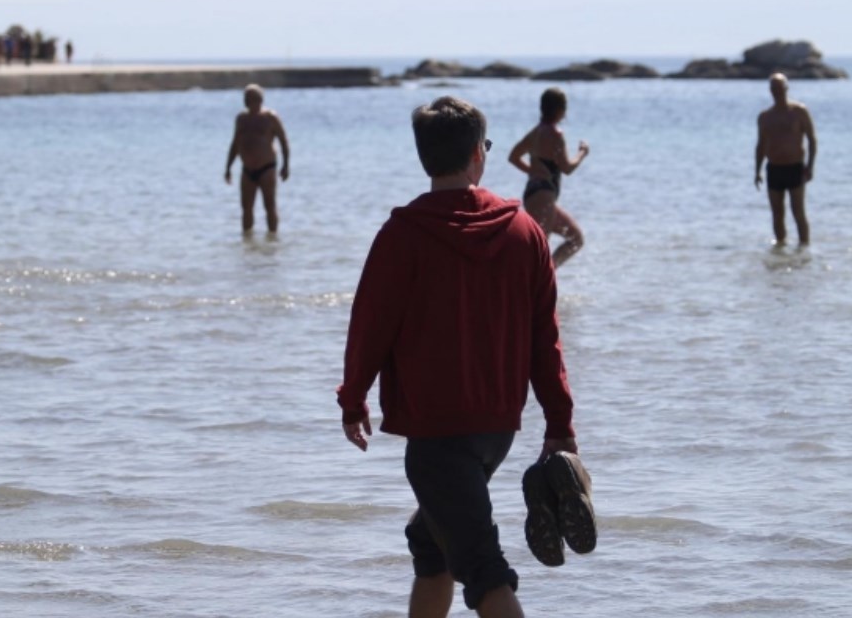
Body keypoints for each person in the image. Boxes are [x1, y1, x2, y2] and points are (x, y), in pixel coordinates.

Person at [337, 96, 579, 618]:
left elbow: (371, 326)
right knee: (432, 546)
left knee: (485, 574)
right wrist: (559, 422)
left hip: (436, 435)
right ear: (477, 153)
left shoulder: (402, 235)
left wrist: (353, 397)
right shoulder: (524, 232)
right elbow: (546, 338)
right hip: (495, 431)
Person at [508, 87, 589, 267]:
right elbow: (567, 168)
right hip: (543, 196)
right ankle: (537, 282)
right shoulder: (555, 134)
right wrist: (582, 153)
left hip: (534, 194)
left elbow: (513, 157)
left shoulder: (536, 132)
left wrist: (532, 171)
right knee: (539, 251)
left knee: (576, 238)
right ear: (560, 110)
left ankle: (548, 273)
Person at [755, 73, 817, 247]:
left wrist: (810, 166)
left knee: (798, 211)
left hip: (795, 167)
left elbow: (812, 139)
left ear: (786, 88)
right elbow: (760, 145)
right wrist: (757, 171)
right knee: (777, 213)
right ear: (770, 91)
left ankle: (804, 248)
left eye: (780, 88)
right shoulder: (765, 116)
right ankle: (780, 247)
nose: (777, 92)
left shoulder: (799, 111)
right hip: (774, 168)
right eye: (774, 88)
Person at [224, 84, 290, 233]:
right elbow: (235, 143)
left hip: (266, 168)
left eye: (250, 98)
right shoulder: (241, 119)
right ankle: (247, 241)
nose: (247, 101)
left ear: (259, 100)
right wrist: (228, 168)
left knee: (269, 206)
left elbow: (283, 141)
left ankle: (273, 239)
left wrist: (286, 165)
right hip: (247, 169)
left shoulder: (270, 117)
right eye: (245, 98)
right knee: (246, 208)